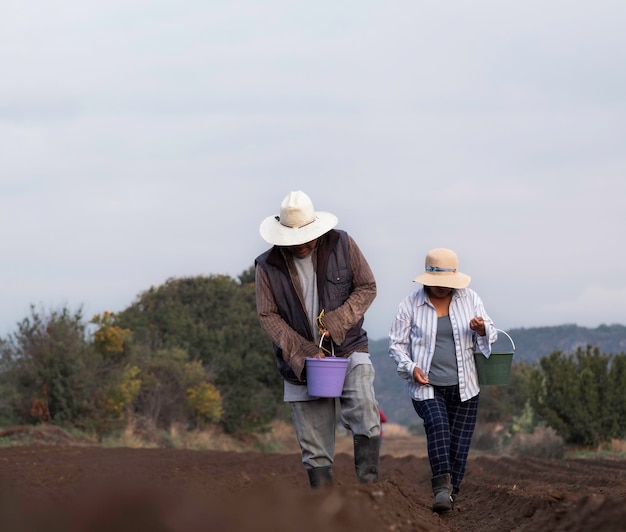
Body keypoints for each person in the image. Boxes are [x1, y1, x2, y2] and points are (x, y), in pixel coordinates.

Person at [255, 190, 381, 489]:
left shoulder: (343, 244)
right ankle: (323, 503)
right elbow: (268, 315)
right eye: (294, 240)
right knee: (314, 445)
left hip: (348, 348)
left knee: (364, 407)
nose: (302, 244)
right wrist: (305, 351)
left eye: (307, 237)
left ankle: (370, 489)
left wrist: (336, 322)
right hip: (299, 363)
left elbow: (367, 287)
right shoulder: (267, 265)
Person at [388, 248, 497, 512]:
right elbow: (396, 345)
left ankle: (451, 493)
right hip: (427, 386)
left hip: (465, 386)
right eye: (436, 283)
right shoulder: (410, 305)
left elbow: (491, 333)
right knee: (437, 426)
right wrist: (411, 367)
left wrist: (482, 328)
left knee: (459, 446)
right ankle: (440, 489)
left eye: (446, 284)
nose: (441, 288)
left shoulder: (470, 299)